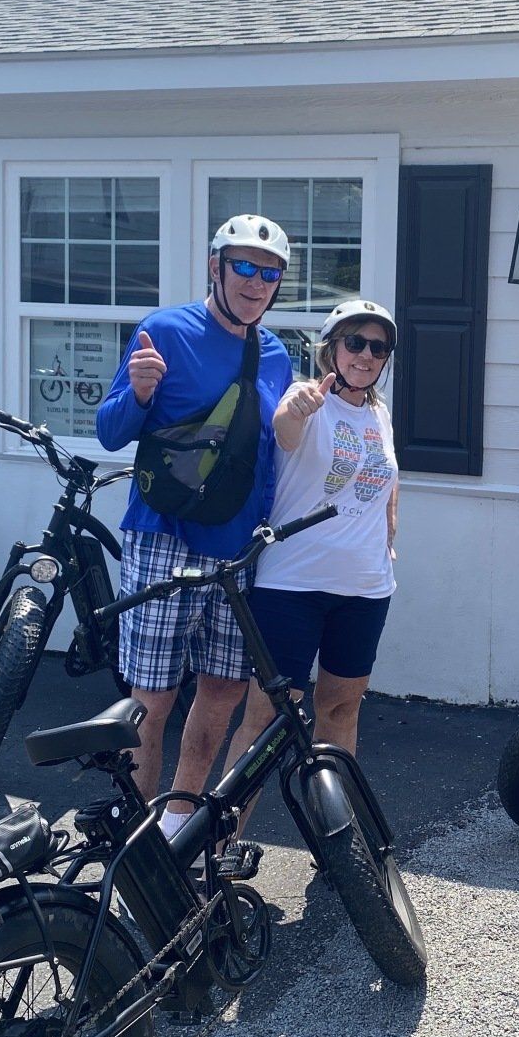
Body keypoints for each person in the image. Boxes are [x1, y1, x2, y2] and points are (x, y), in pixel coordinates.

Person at [95, 214, 296, 837]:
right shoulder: (165, 330)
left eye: (270, 273)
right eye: (244, 267)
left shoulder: (277, 354)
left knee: (222, 691)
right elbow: (111, 431)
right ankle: (133, 839)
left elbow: (273, 455)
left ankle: (178, 821)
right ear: (216, 266)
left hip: (238, 551)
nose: (256, 282)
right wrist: (139, 393)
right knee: (149, 702)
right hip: (164, 537)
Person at [219, 299, 400, 818]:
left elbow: (387, 475)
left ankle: (337, 839)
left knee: (341, 710)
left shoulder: (379, 413)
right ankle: (221, 842)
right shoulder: (306, 399)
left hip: (365, 590)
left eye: (378, 347)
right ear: (331, 349)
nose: (366, 355)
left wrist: (391, 523)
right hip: (292, 587)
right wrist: (293, 410)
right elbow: (285, 430)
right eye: (355, 342)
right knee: (269, 719)